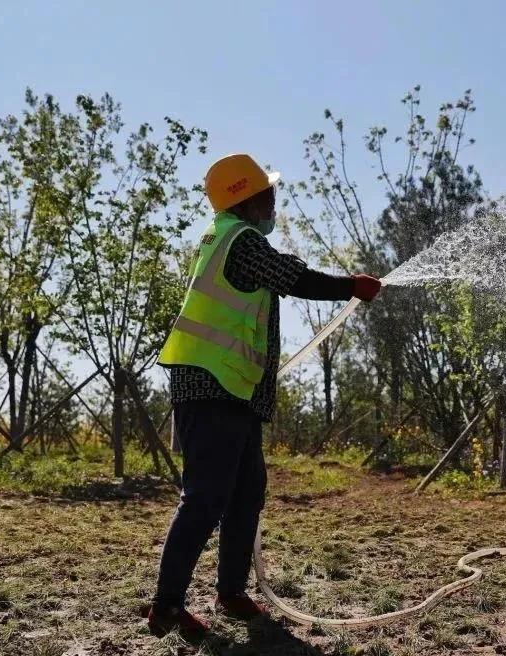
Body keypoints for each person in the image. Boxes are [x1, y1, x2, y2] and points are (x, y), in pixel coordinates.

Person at [148, 154, 382, 638]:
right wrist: (351, 286)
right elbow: (292, 279)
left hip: (233, 389)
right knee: (206, 499)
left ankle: (230, 592)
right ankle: (166, 605)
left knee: (245, 495)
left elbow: (278, 271)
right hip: (212, 385)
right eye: (269, 196)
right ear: (248, 199)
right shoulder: (241, 239)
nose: (275, 204)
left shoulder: (228, 239)